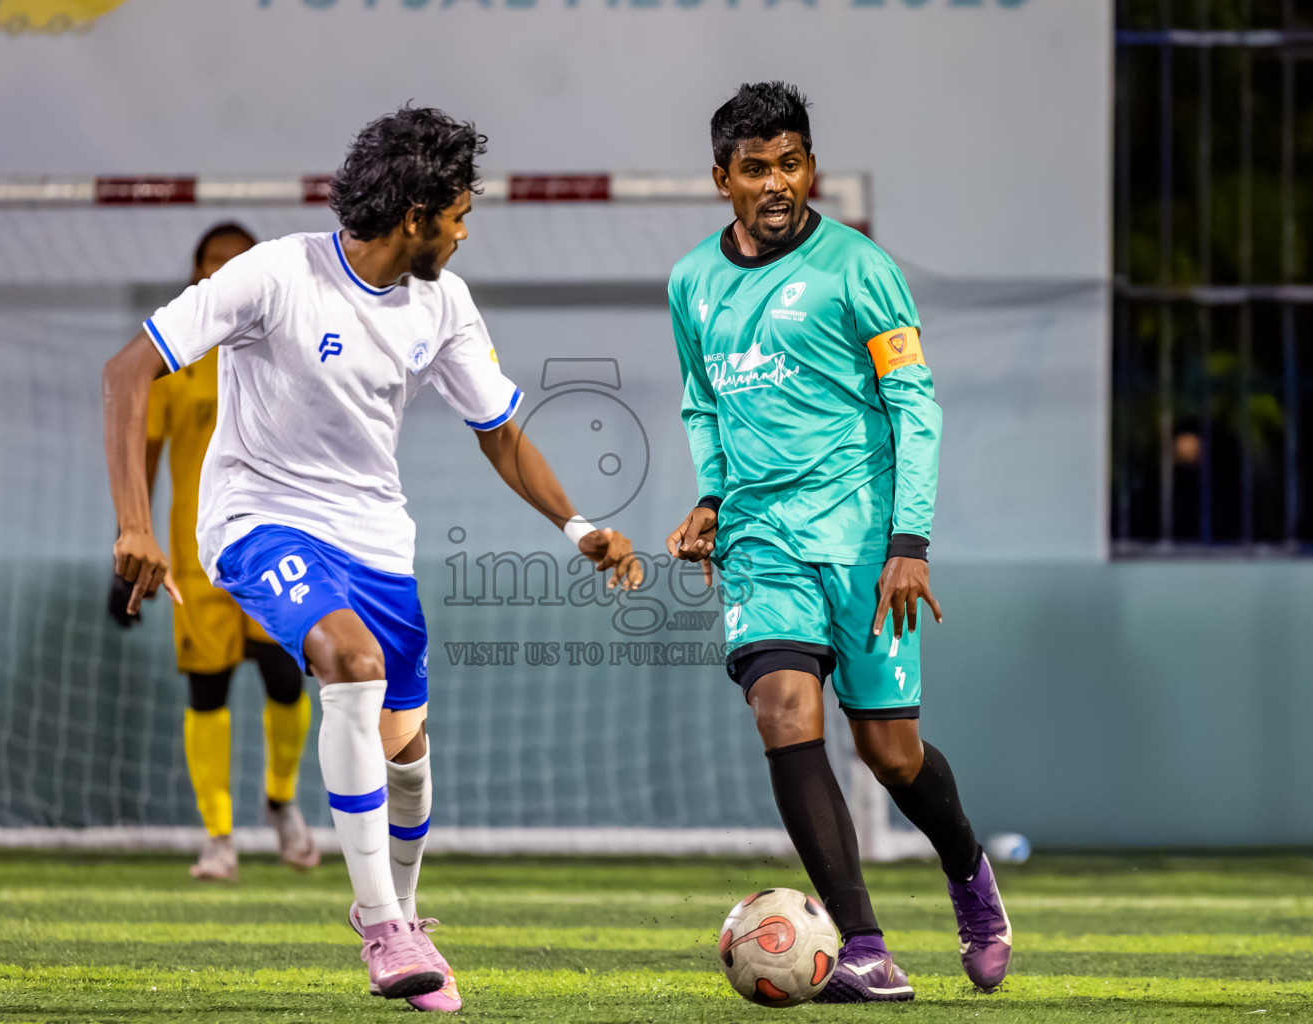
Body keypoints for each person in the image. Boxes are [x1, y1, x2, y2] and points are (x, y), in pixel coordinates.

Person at [102, 105, 640, 1011]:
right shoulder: (273, 273)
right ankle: (379, 923)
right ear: (415, 216)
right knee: (345, 662)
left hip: (377, 540)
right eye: (460, 215)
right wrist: (134, 524)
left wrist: (576, 525)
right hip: (257, 520)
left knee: (406, 746)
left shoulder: (444, 304)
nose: (466, 232)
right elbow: (127, 372)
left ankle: (409, 918)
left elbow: (501, 436)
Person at [665, 82, 1011, 1001]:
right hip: (761, 539)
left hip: (867, 540)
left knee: (892, 756)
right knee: (782, 707)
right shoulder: (691, 281)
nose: (775, 184)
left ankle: (970, 875)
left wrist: (911, 540)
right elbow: (703, 401)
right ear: (721, 179)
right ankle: (864, 944)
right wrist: (709, 495)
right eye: (754, 169)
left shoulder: (861, 270)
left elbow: (915, 406)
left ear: (810, 167)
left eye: (790, 164)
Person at [107, 223, 320, 882]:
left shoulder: (286, 346)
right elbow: (141, 455)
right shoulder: (178, 356)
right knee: (208, 690)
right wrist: (128, 535)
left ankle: (281, 801)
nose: (223, 271)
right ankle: (219, 837)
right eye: (212, 263)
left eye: (237, 262)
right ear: (197, 272)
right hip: (196, 554)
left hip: (275, 544)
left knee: (286, 679)